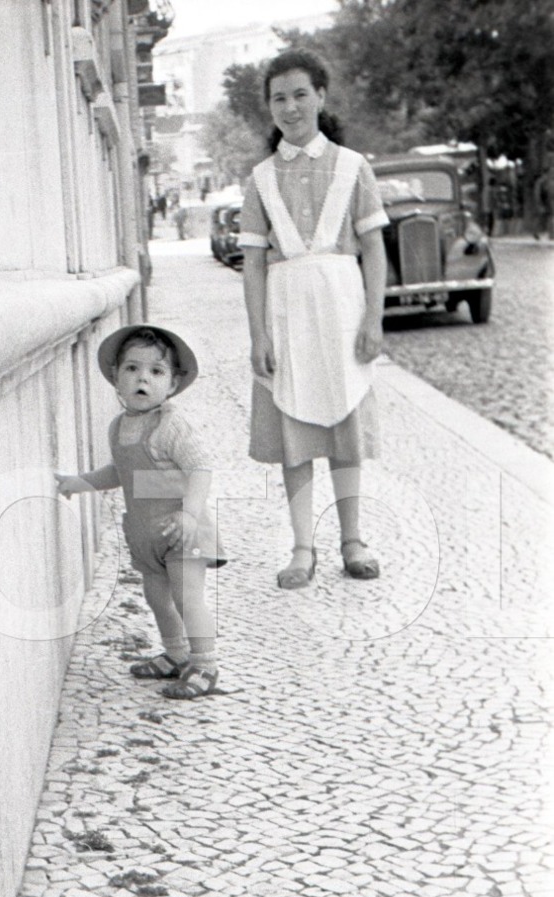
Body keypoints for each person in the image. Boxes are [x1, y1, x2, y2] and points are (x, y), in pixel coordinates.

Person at [239, 48, 388, 588]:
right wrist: (258, 334)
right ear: (268, 107)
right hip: (287, 316)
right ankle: (303, 546)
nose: (291, 106)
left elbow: (373, 248)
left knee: (345, 429)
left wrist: (374, 318)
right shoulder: (259, 179)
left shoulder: (352, 167)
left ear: (321, 97)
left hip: (343, 313)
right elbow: (253, 262)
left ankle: (353, 540)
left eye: (301, 94)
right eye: (279, 97)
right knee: (296, 432)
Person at [55, 325, 227, 699]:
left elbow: (200, 469)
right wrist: (79, 482)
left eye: (156, 371)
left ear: (173, 385)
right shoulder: (118, 427)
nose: (142, 379)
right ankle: (177, 654)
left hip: (183, 530)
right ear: (116, 378)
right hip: (146, 532)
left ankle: (205, 663)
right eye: (132, 369)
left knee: (187, 597)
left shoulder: (171, 425)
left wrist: (189, 513)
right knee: (156, 597)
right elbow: (122, 472)